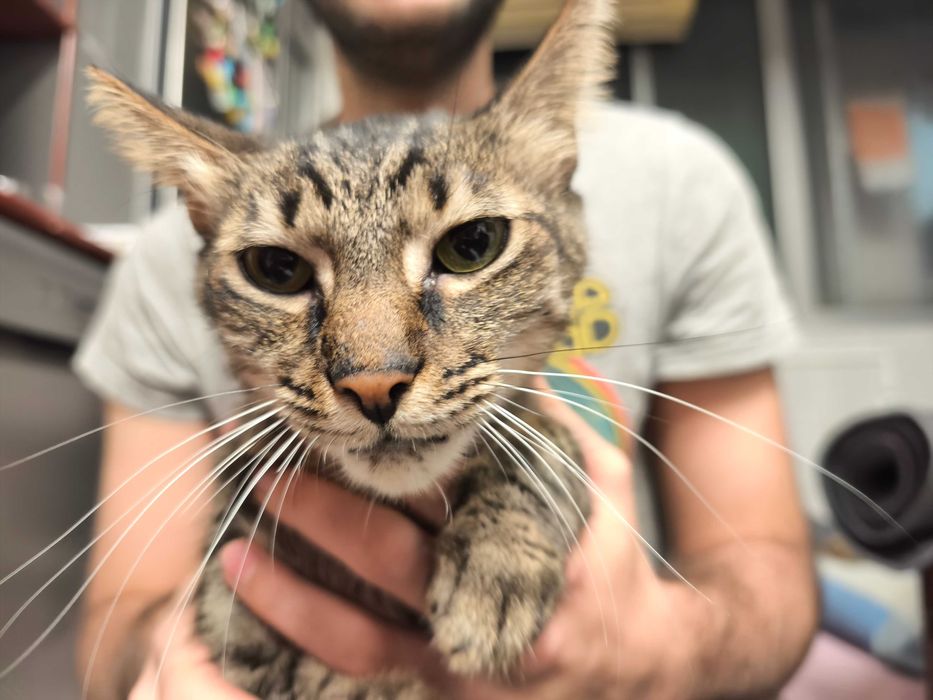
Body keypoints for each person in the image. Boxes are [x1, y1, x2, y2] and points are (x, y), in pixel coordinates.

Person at [74, 0, 818, 697]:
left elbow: (768, 576)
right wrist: (168, 660)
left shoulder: (682, 181)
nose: (371, 372)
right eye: (281, 269)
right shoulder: (151, 269)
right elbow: (117, 629)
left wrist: (657, 651)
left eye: (468, 245)